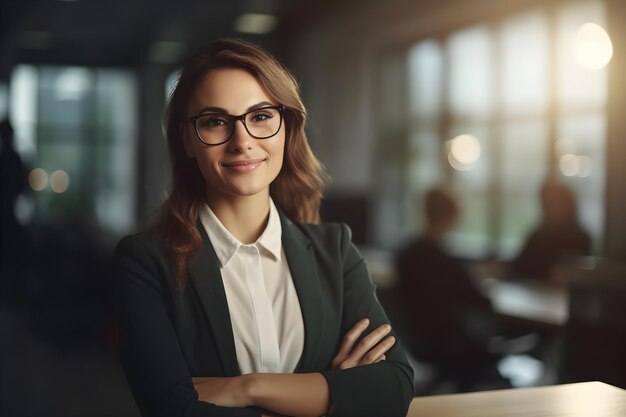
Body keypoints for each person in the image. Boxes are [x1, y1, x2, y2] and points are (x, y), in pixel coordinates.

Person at [114, 39, 413, 417]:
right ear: (188, 138)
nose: (242, 142)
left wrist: (248, 388)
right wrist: (330, 394)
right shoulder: (146, 261)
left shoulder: (335, 249)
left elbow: (394, 388)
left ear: (286, 126)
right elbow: (173, 411)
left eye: (260, 116)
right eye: (215, 121)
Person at [395, 187, 501, 390]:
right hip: (451, 344)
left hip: (420, 341)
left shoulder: (406, 255)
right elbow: (479, 300)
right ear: (451, 216)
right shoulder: (445, 262)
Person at [511, 180, 591, 281]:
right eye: (548, 204)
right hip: (535, 293)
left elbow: (582, 274)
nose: (551, 208)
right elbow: (518, 266)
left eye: (557, 203)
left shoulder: (580, 239)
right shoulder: (538, 236)